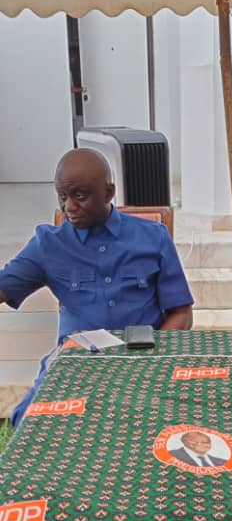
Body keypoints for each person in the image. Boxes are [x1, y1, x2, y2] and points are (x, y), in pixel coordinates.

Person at [0, 148, 194, 426]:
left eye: (80, 196)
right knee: (32, 423)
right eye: (62, 196)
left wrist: (150, 358)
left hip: (143, 361)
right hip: (75, 364)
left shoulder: (152, 238)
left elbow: (182, 314)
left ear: (109, 192)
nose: (69, 207)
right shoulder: (48, 244)